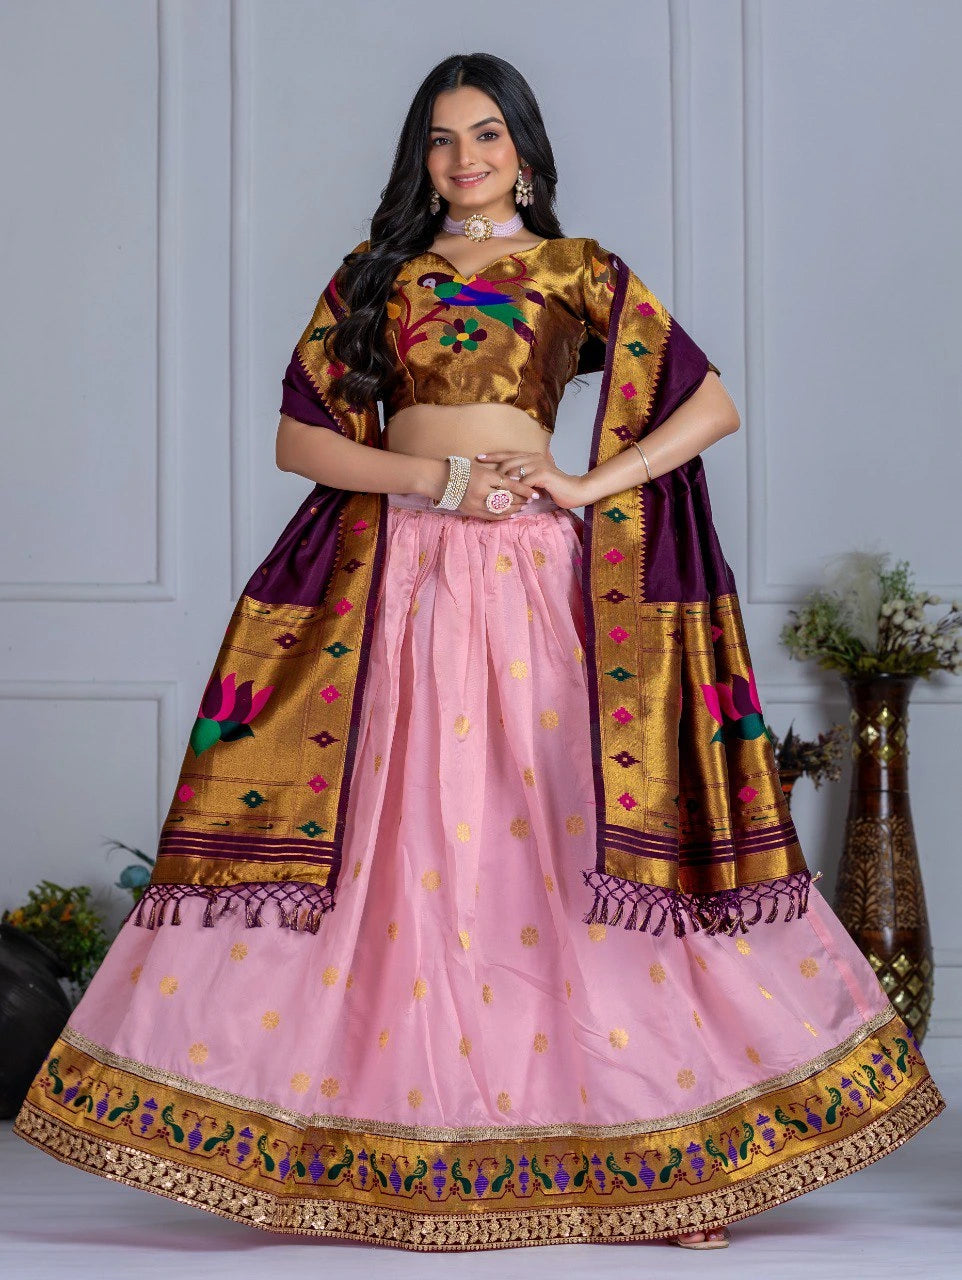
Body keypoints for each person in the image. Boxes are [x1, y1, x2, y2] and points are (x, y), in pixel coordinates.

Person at [14, 52, 944, 1253]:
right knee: (411, 843)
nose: (464, 159)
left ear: (524, 149)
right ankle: (362, 1146)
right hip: (392, 579)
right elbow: (302, 441)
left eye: (487, 135)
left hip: (535, 584)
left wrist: (584, 483)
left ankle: (666, 1159)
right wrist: (435, 479)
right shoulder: (374, 276)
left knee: (561, 839)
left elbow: (704, 404)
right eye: (443, 139)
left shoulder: (575, 270)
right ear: (420, 157)